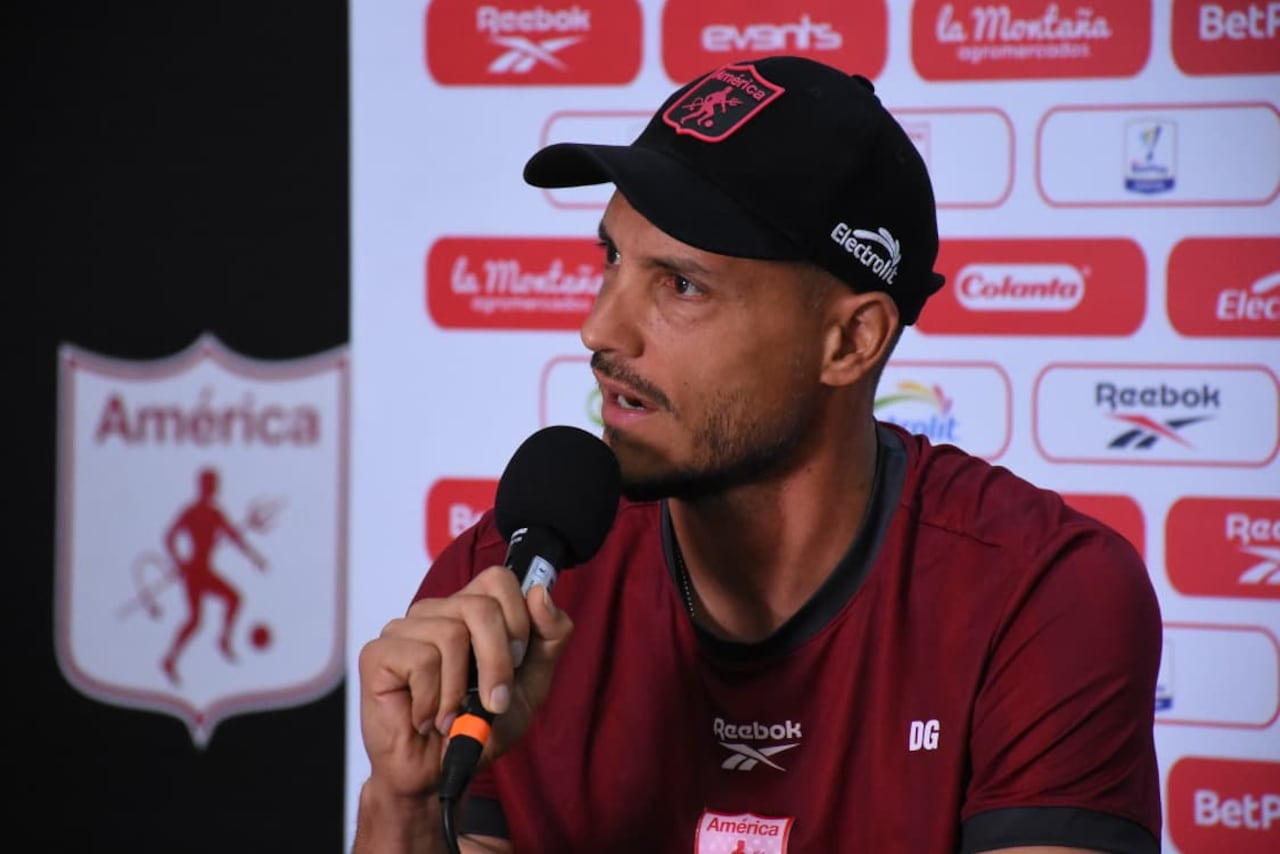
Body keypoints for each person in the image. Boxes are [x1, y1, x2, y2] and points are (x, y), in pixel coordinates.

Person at [354, 55, 1163, 853]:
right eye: (612, 259)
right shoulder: (507, 587)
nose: (600, 330)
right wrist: (408, 800)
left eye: (681, 285)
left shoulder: (1042, 595)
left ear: (850, 341)